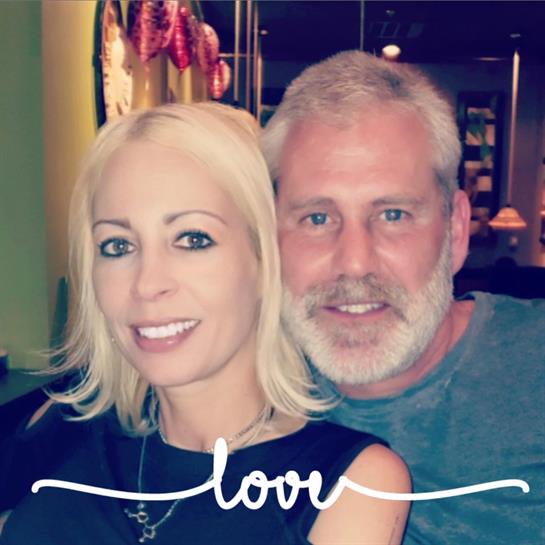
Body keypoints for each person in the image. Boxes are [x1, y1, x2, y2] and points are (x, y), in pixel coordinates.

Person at [1, 102, 410, 544]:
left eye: (193, 239)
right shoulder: (62, 425)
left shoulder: (348, 485)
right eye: (117, 245)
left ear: (265, 261)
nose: (147, 284)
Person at [261, 50, 545, 545]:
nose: (354, 262)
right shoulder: (240, 386)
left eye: (393, 215)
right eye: (317, 218)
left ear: (455, 229)